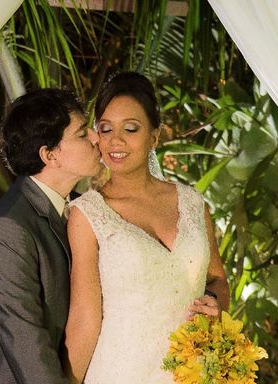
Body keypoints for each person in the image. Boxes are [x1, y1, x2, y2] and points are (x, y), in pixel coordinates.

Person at [64, 72, 230, 383]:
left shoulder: (192, 203)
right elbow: (85, 317)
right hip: (121, 372)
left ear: (154, 137)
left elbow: (217, 278)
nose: (116, 140)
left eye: (130, 128)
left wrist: (217, 304)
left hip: (192, 371)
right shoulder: (87, 214)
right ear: (96, 136)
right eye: (106, 128)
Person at [0, 89, 101, 384]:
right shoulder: (8, 229)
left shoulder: (84, 208)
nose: (96, 138)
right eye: (82, 133)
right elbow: (27, 343)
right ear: (49, 155)